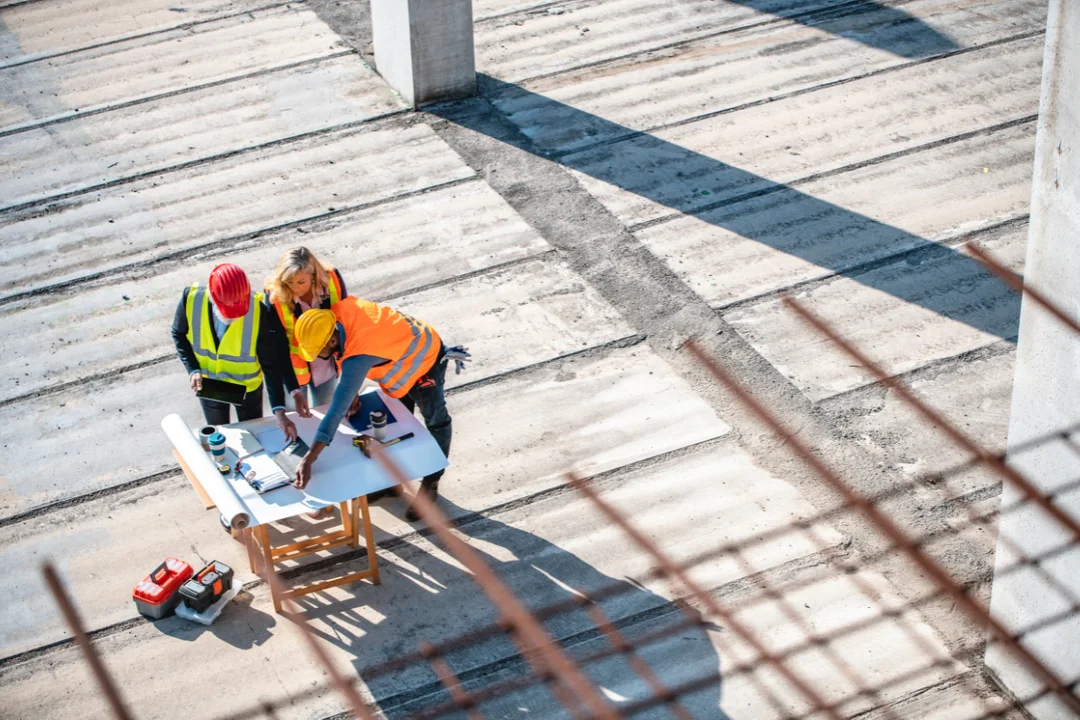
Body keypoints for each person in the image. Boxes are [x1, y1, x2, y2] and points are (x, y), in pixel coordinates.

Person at [290, 298, 454, 521]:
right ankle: (392, 481)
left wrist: (309, 458)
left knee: (436, 422)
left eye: (318, 350)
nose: (317, 355)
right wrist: (353, 388)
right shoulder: (336, 316)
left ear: (330, 340)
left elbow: (337, 410)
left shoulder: (358, 356)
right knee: (395, 426)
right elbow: (346, 355)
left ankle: (432, 480)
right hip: (399, 358)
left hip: (425, 359)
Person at [170, 263, 301, 441]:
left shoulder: (259, 310)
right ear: (213, 297)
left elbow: (271, 364)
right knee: (219, 435)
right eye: (229, 312)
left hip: (247, 390)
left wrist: (279, 411)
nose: (234, 317)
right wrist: (192, 369)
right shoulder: (191, 299)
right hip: (211, 385)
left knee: (254, 437)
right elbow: (178, 333)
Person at [264, 247, 347, 411]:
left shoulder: (333, 281)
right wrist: (294, 391)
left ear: (314, 275)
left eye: (301, 282)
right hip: (293, 374)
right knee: (295, 418)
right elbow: (276, 349)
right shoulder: (274, 298)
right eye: (289, 282)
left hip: (326, 367)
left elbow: (346, 327)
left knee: (327, 411)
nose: (295, 288)